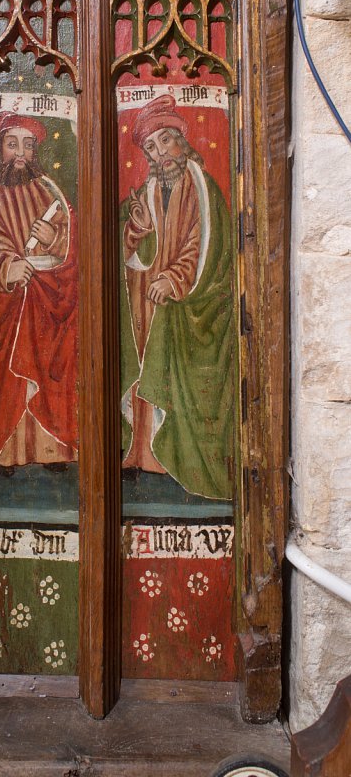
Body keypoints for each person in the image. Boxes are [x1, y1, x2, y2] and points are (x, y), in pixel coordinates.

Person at [120, 94, 234, 500]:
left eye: (165, 141)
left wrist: (176, 279)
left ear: (182, 142)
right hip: (150, 304)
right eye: (151, 147)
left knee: (176, 373)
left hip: (190, 306)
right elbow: (129, 242)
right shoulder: (149, 190)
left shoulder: (203, 188)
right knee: (145, 364)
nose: (160, 153)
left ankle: (176, 460)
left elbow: (205, 242)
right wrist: (133, 231)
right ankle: (143, 456)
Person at [0, 111, 78, 482]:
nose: (21, 154)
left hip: (44, 299)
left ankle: (51, 448)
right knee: (11, 378)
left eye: (28, 145)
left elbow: (68, 237)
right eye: (12, 144)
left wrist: (55, 240)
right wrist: (6, 266)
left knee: (50, 365)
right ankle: (6, 452)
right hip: (7, 303)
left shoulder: (46, 191)